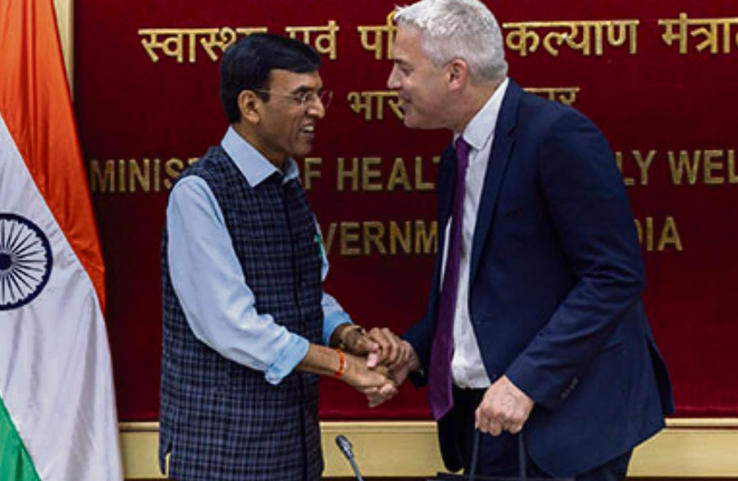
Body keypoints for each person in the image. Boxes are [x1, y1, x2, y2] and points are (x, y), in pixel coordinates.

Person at [376, 0, 675, 479]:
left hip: (564, 424)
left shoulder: (557, 136)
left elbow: (614, 277)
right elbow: (473, 286)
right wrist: (416, 350)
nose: (392, 83)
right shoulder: (456, 156)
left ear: (455, 74)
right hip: (487, 417)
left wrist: (528, 381)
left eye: (404, 68)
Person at [159, 33, 395, 481]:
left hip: (293, 445)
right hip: (223, 454)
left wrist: (347, 335)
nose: (318, 110)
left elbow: (306, 291)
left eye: (319, 95)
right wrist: (341, 367)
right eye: (302, 97)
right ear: (251, 106)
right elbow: (230, 324)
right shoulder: (199, 193)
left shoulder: (287, 182)